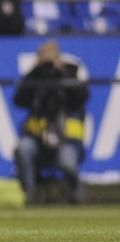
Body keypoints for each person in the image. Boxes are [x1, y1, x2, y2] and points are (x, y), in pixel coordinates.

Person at [14, 40, 90, 204]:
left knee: (67, 163)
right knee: (23, 148)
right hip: (38, 137)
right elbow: (19, 100)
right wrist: (35, 72)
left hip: (67, 138)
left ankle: (75, 192)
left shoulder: (71, 72)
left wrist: (62, 72)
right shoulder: (35, 75)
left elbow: (82, 97)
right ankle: (30, 192)